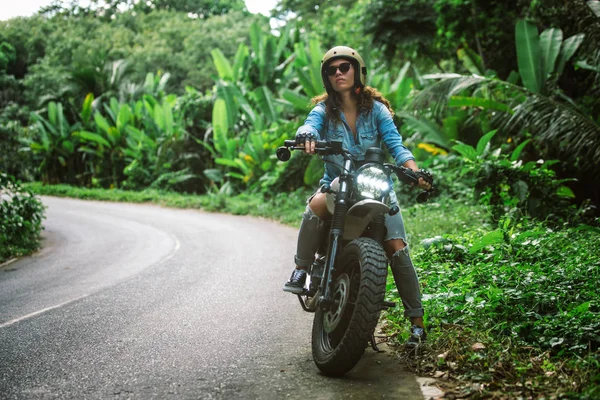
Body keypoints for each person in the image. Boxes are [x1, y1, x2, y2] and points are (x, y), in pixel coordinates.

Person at [281, 45, 432, 347]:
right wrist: (307, 136)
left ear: (357, 70)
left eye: (344, 67)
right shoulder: (323, 110)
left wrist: (415, 172)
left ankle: (417, 324)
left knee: (397, 248)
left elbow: (397, 147)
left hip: (374, 185)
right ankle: (300, 270)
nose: (338, 73)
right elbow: (309, 125)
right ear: (326, 77)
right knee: (314, 208)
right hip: (339, 184)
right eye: (332, 70)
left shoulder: (376, 110)